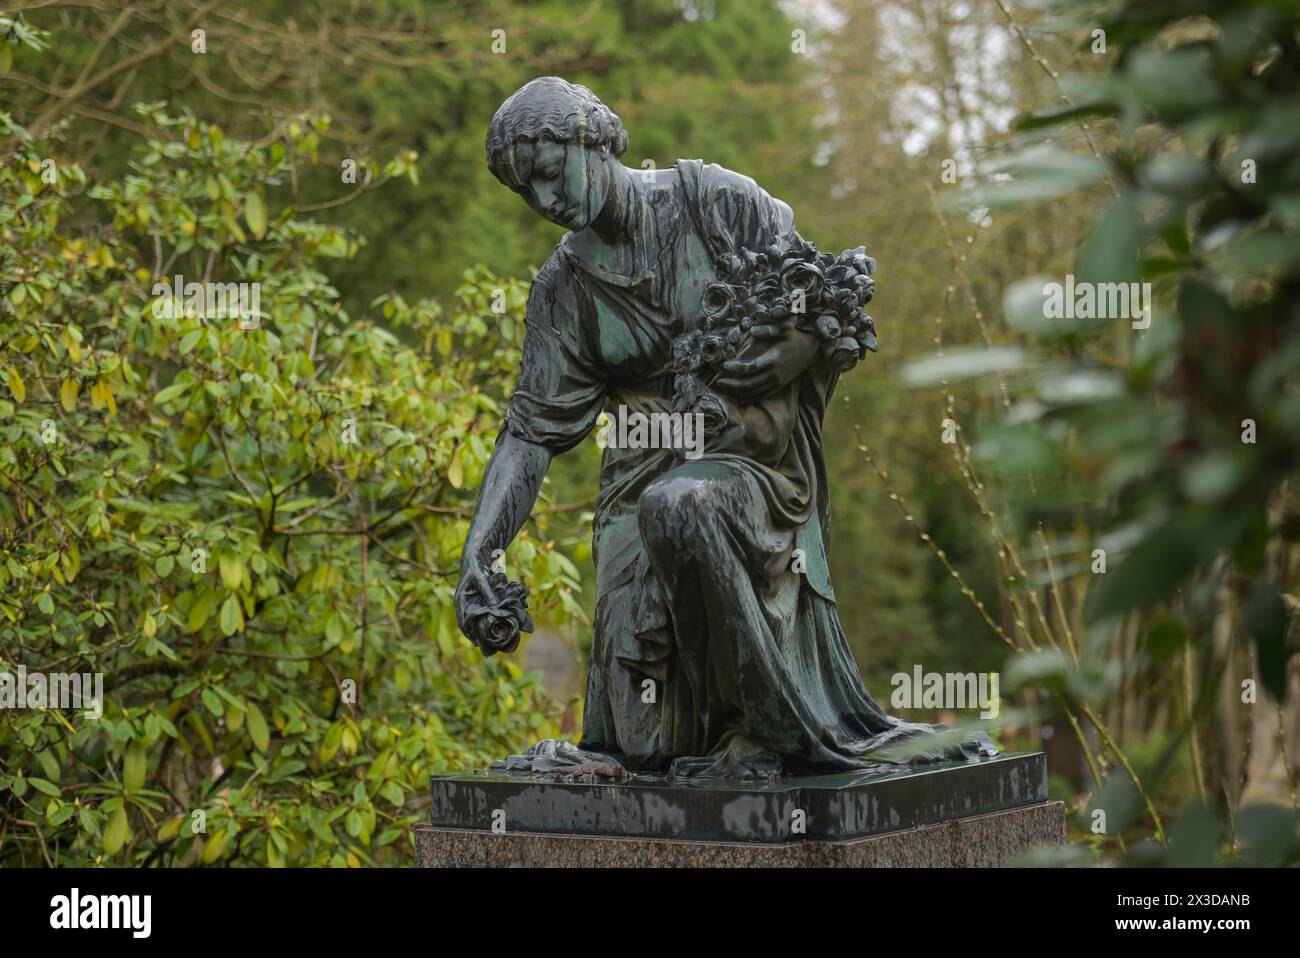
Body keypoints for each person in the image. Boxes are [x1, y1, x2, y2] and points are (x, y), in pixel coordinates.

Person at [455, 76, 994, 780]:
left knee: (682, 504)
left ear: (592, 137)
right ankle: (702, 733)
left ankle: (763, 730)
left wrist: (795, 348)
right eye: (526, 193)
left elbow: (830, 297)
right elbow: (529, 433)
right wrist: (482, 551)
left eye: (551, 174)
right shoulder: (563, 290)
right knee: (644, 746)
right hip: (637, 482)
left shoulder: (713, 202)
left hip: (752, 465)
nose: (547, 202)